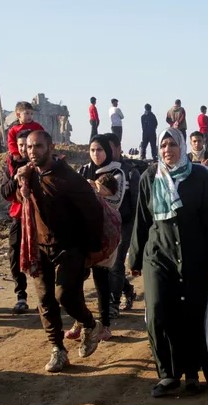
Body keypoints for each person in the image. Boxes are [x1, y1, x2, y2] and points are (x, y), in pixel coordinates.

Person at [129, 128, 208, 397]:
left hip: (193, 255)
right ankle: (167, 374)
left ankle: (191, 373)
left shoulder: (200, 176)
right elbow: (142, 220)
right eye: (163, 145)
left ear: (182, 147)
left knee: (191, 313)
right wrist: (134, 257)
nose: (168, 150)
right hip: (158, 255)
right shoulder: (149, 177)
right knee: (157, 311)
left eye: (172, 144)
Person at [15, 130, 105, 372]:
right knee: (45, 300)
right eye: (29, 147)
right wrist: (19, 179)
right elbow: (7, 193)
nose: (32, 152)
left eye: (38, 147)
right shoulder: (28, 175)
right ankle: (58, 350)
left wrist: (92, 250)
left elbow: (93, 212)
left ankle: (89, 323)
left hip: (70, 247)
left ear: (50, 147)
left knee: (64, 296)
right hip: (39, 247)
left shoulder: (69, 179)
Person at [77, 134, 127, 340]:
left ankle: (105, 325)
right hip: (84, 231)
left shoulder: (118, 173)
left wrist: (93, 190)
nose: (95, 154)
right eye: (92, 150)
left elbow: (116, 201)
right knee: (76, 279)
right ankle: (80, 322)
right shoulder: (83, 171)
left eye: (99, 150)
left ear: (107, 151)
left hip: (106, 233)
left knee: (101, 281)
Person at [103, 133, 140, 311]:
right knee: (107, 264)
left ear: (118, 148)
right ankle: (127, 289)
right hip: (104, 224)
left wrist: (135, 229)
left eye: (109, 148)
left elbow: (136, 203)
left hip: (125, 224)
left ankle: (114, 303)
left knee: (116, 263)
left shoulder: (130, 172)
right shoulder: (99, 170)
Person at [0, 130, 31, 313]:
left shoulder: (44, 164)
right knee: (14, 254)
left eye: (27, 145)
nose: (24, 149)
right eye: (20, 145)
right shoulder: (10, 165)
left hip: (41, 216)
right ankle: (21, 295)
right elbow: (4, 192)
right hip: (19, 215)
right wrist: (15, 177)